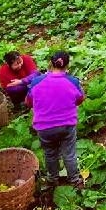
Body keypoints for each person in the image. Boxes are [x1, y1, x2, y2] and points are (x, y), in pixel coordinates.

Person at [25, 51, 85, 188]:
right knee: (69, 154)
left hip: (44, 127)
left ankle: (52, 179)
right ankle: (74, 180)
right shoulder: (72, 81)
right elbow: (80, 99)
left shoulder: (37, 81)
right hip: (66, 125)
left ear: (50, 64)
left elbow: (28, 102)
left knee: (50, 154)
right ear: (67, 65)